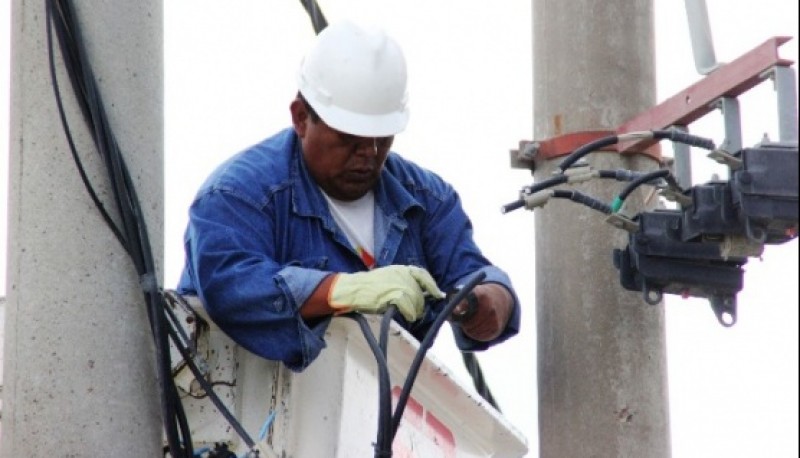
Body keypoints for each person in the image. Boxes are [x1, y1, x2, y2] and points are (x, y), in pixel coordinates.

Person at [177, 20, 520, 372]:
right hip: (242, 413)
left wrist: (487, 301)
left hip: (371, 417)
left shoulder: (427, 200)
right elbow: (227, 284)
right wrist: (340, 291)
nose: (369, 154)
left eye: (382, 139)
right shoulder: (239, 194)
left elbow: (475, 275)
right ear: (300, 118)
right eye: (350, 139)